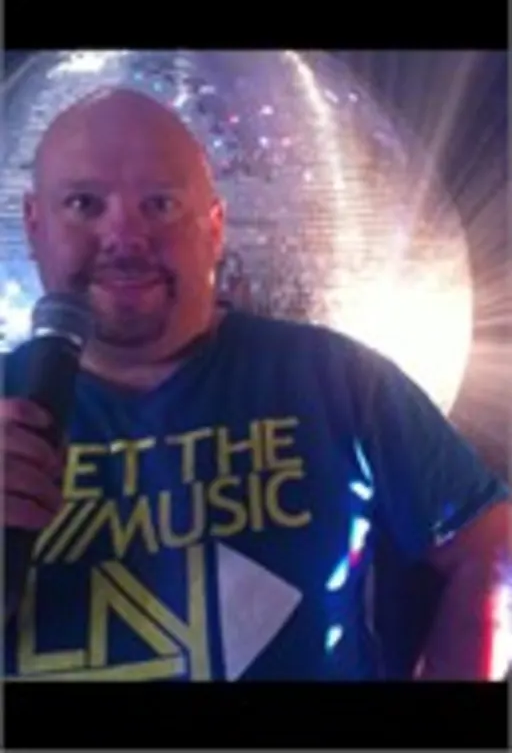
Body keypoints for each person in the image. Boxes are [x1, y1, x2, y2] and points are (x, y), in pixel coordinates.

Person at [2, 88, 509, 682]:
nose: (124, 236)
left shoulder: (336, 379)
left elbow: (490, 544)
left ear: (215, 228)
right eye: (84, 204)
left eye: (160, 204)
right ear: (34, 224)